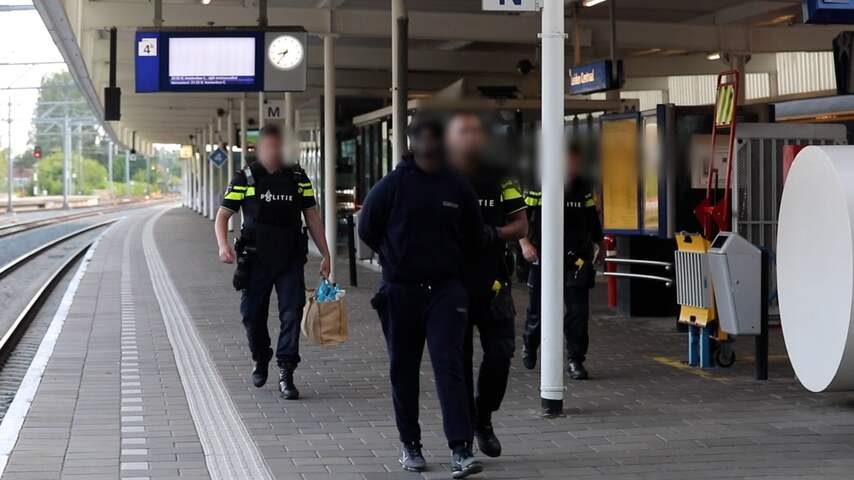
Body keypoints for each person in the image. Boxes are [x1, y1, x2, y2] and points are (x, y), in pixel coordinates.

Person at [359, 116, 485, 479]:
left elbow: (474, 235)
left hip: (445, 291)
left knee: (450, 365)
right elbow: (367, 227)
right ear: (413, 143)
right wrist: (393, 258)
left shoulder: (456, 187)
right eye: (423, 139)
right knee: (403, 367)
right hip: (400, 291)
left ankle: (461, 448)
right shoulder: (393, 185)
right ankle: (410, 444)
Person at [214, 124, 331, 400]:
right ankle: (261, 355)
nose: (275, 151)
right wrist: (223, 245)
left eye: (279, 146)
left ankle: (286, 370)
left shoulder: (297, 177)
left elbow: (311, 216)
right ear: (259, 148)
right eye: (270, 146)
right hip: (255, 260)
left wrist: (325, 253)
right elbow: (223, 216)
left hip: (290, 258)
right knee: (252, 316)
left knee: (292, 312)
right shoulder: (245, 178)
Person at [445, 112, 528, 458]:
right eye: (463, 132)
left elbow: (522, 225)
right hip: (451, 285)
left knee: (500, 354)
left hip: (494, 283)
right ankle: (464, 433)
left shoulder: (500, 177)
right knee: (457, 363)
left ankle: (484, 416)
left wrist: (494, 233)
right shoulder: (440, 177)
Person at [521, 143, 604, 380]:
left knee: (577, 311)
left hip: (576, 258)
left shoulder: (583, 187)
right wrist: (525, 244)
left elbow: (592, 220)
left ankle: (575, 360)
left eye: (576, 162)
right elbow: (522, 219)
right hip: (543, 257)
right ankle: (530, 344)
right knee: (537, 310)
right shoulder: (540, 185)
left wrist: (601, 246)